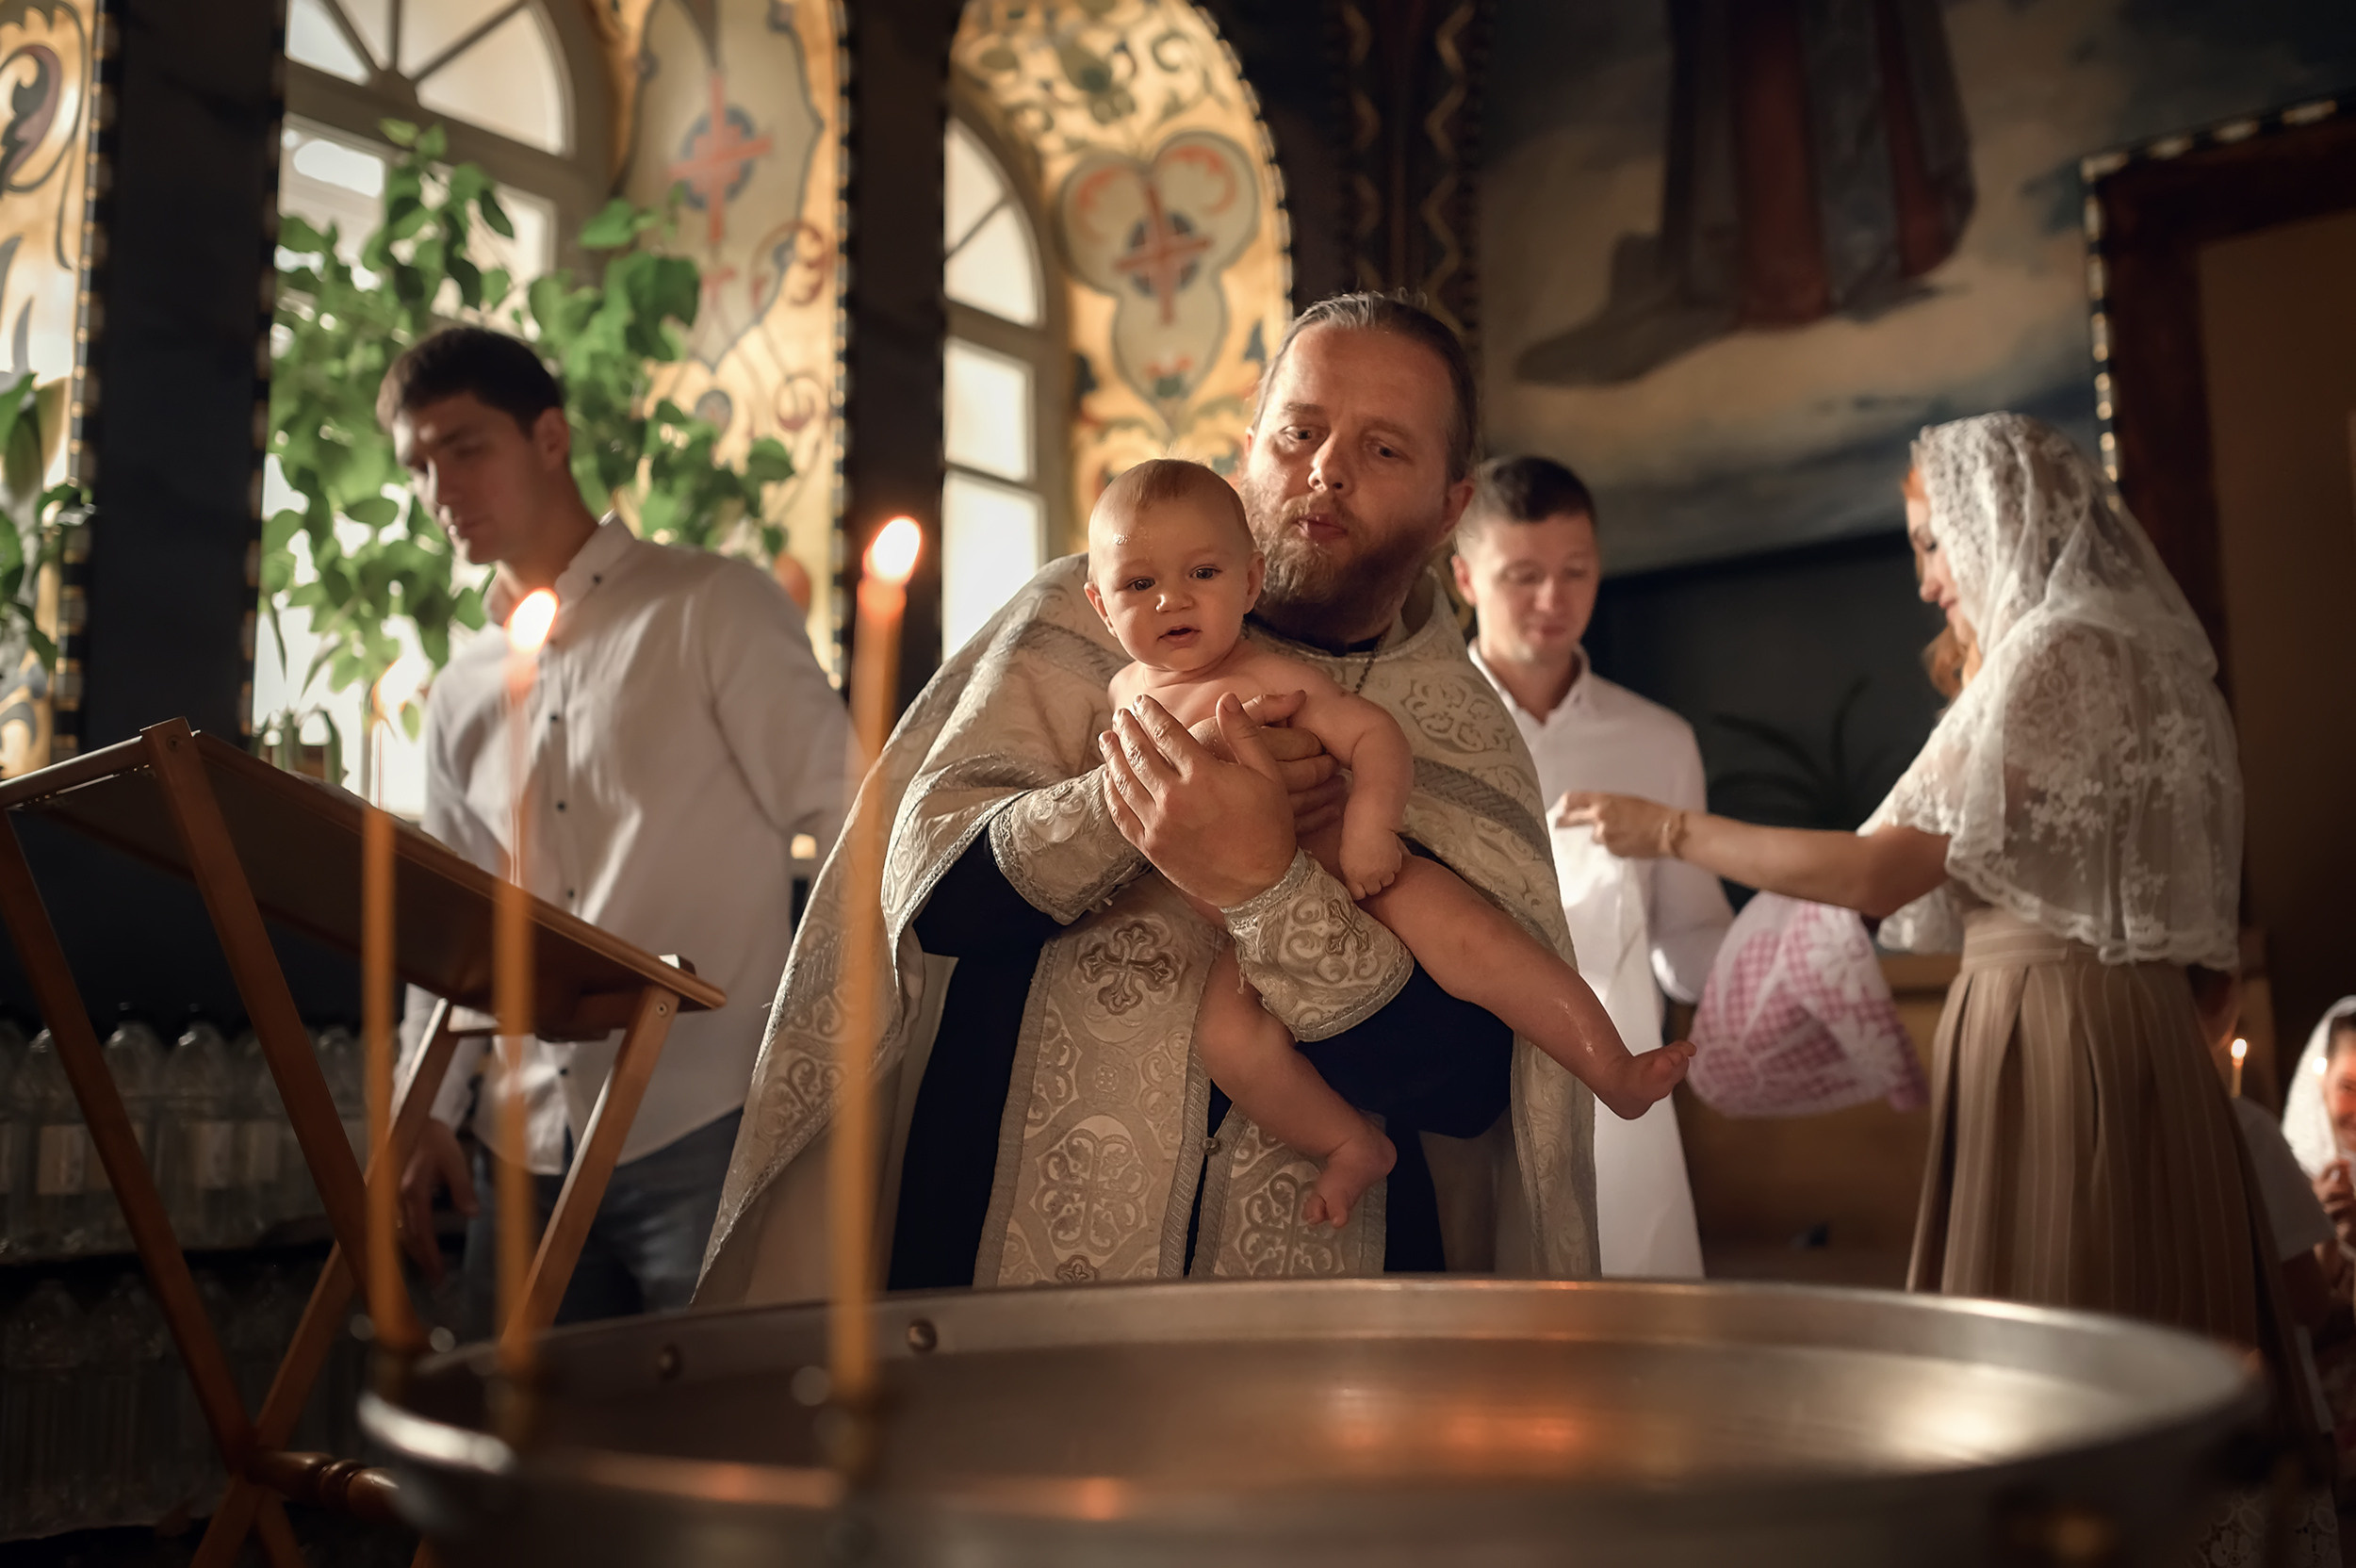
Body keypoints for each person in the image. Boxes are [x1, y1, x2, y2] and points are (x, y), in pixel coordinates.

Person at [699, 293, 1604, 1304]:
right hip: (1003, 1259)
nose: (1325, 471)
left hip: (1317, 1311)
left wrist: (1269, 883)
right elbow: (926, 901)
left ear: (1449, 507)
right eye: (1299, 431)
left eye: (1383, 449)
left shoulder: (1458, 729)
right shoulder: (1075, 615)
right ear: (1249, 441)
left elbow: (1479, 1083)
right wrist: (1132, 804)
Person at [1562, 413, 2286, 1356]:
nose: (1926, 581)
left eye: (1933, 544)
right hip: (2147, 1027)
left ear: (2000, 520)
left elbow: (1873, 871)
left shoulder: (2053, 652)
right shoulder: (2152, 656)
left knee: (2061, 1320)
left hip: (2051, 1025)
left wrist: (1667, 829)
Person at [384, 326, 852, 1333]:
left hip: (708, 1119)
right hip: (519, 1147)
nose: (439, 489)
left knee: (719, 1445)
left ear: (549, 436)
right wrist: (421, 1107)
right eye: (418, 465)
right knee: (522, 1458)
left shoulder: (709, 606)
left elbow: (853, 817)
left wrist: (830, 1069)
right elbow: (456, 912)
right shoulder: (460, 689)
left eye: (465, 448)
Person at [1085, 458, 1686, 1226]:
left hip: (1347, 864)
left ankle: (1615, 1069)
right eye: (1140, 585)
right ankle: (1349, 1146)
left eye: (1202, 571)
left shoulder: (1263, 674)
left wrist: (1371, 828)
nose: (1172, 598)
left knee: (1479, 941)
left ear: (1249, 582)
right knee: (1231, 1045)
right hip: (1241, 925)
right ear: (1102, 606)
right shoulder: (1117, 698)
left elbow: (1375, 737)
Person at [1454, 454, 1727, 1277]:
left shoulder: (1658, 740)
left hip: (1619, 1094)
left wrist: (1784, 957)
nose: (1552, 600)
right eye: (1523, 575)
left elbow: (1688, 934)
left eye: (1576, 571)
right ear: (1465, 577)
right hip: (1468, 1088)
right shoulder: (1414, 729)